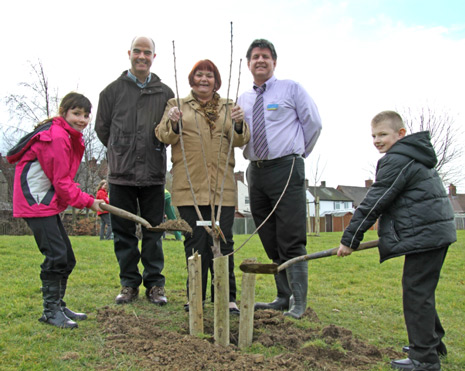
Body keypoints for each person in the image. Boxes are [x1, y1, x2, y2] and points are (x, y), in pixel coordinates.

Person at [337, 111, 456, 371]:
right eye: (373, 136)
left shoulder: (397, 159)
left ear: (400, 134)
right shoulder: (414, 155)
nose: (377, 140)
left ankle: (424, 358)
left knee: (416, 293)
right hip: (434, 232)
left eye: (383, 135)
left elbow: (376, 200)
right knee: (420, 291)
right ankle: (431, 344)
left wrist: (350, 239)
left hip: (427, 234)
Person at [156, 59, 250, 314]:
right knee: (195, 243)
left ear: (216, 80)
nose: (204, 79)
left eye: (209, 75)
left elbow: (240, 140)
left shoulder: (229, 106)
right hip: (190, 189)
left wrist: (240, 123)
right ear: (191, 79)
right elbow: (163, 135)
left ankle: (227, 297)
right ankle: (195, 296)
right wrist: (173, 121)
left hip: (222, 189)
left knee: (224, 243)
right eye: (199, 75)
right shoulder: (176, 105)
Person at [237, 39, 322, 319]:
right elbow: (240, 135)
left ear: (274, 62)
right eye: (255, 57)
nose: (260, 61)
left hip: (286, 167)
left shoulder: (291, 89)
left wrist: (297, 154)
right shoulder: (243, 100)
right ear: (248, 63)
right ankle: (282, 296)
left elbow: (314, 123)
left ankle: (299, 302)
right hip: (256, 171)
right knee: (269, 236)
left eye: (265, 56)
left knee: (291, 236)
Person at [7, 92, 104, 329]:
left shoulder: (67, 135)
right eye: (76, 113)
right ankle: (50, 312)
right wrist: (89, 201)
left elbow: (62, 179)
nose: (82, 119)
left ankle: (58, 304)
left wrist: (85, 198)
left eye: (86, 115)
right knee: (56, 256)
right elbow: (62, 183)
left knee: (67, 258)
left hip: (46, 202)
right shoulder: (56, 137)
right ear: (63, 113)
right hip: (36, 202)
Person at [95, 36, 174, 305]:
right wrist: (122, 150)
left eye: (147, 52)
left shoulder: (166, 93)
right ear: (129, 53)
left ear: (154, 56)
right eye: (137, 51)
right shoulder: (111, 92)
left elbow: (170, 131)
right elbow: (102, 130)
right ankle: (129, 284)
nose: (142, 56)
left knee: (154, 231)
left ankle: (155, 286)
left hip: (153, 176)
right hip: (121, 176)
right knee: (123, 234)